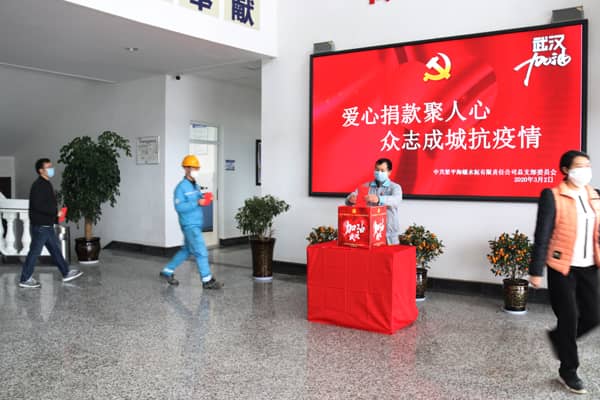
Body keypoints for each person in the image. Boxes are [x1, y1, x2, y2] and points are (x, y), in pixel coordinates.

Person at [529, 150, 600, 394]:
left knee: (593, 316)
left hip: (590, 266)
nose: (585, 170)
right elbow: (542, 234)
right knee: (569, 318)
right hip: (562, 267)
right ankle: (568, 370)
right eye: (579, 166)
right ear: (566, 170)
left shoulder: (595, 196)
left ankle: (559, 338)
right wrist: (536, 270)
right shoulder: (552, 196)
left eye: (588, 165)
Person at [159, 155, 223, 289]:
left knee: (186, 250)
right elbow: (179, 207)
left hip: (196, 223)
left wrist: (206, 197)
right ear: (186, 168)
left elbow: (199, 199)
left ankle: (167, 271)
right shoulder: (181, 187)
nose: (196, 170)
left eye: (197, 168)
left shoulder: (195, 185)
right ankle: (207, 280)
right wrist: (197, 202)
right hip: (189, 224)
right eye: (194, 167)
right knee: (201, 251)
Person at [19, 158, 83, 288]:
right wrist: (55, 213)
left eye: (51, 166)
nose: (51, 169)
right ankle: (25, 279)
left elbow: (47, 204)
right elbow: (38, 205)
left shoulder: (46, 183)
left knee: (55, 250)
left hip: (47, 226)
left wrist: (55, 218)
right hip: (41, 227)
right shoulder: (39, 185)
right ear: (41, 170)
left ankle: (66, 273)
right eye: (48, 167)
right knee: (34, 252)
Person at [346, 158, 403, 244]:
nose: (379, 173)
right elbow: (349, 200)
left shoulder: (395, 187)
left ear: (389, 172)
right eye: (377, 170)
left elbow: (396, 200)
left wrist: (379, 199)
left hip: (389, 234)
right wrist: (350, 199)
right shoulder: (365, 186)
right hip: (369, 232)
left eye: (382, 170)